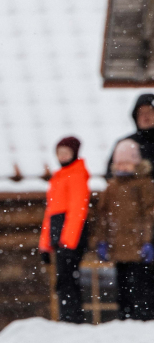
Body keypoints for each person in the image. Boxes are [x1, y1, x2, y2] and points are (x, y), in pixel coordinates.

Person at [92, 139, 154, 321]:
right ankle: (124, 319)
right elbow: (103, 216)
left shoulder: (145, 185)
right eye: (119, 163)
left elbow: (150, 214)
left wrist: (148, 241)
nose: (122, 167)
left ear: (136, 163)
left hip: (139, 247)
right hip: (119, 247)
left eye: (126, 163)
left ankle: (144, 320)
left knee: (141, 288)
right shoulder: (111, 188)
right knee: (123, 288)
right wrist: (102, 241)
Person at [38, 137, 90, 323]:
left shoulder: (76, 175)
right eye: (59, 153)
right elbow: (50, 213)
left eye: (66, 152)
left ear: (74, 153)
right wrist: (45, 245)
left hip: (70, 237)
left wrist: (68, 241)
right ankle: (67, 316)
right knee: (62, 279)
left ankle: (72, 318)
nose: (62, 156)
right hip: (58, 235)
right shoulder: (58, 177)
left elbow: (77, 210)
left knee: (68, 279)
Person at [106, 93, 154, 176]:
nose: (145, 116)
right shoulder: (126, 144)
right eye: (141, 113)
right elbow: (111, 175)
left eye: (149, 112)